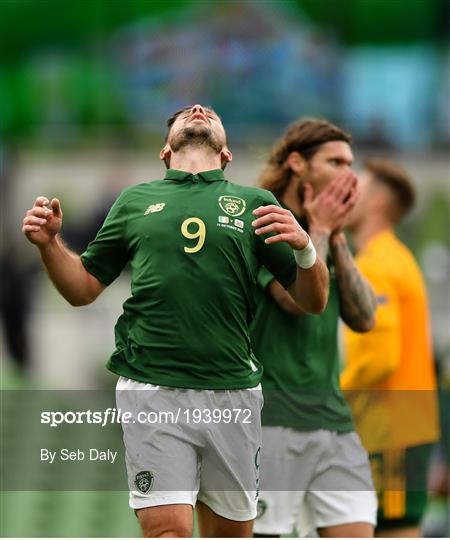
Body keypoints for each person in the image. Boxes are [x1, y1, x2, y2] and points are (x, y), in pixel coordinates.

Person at [21, 104, 329, 538]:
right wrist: (50, 244)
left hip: (233, 393)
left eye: (209, 113)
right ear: (165, 151)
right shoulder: (134, 200)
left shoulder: (257, 204)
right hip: (153, 389)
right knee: (168, 532)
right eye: (183, 114)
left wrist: (305, 249)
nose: (198, 110)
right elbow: (83, 287)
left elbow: (313, 300)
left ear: (227, 155)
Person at [250, 118, 378, 538]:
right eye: (336, 161)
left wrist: (336, 237)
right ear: (297, 163)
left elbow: (364, 318)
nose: (350, 174)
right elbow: (297, 301)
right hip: (273, 420)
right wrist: (317, 232)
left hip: (333, 420)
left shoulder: (332, 233)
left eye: (351, 163)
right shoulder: (265, 220)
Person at [341, 157, 440, 537]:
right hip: (405, 428)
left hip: (391, 430)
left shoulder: (378, 263)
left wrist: (335, 396)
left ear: (378, 203)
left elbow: (381, 358)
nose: (349, 196)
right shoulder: (397, 257)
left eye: (359, 190)